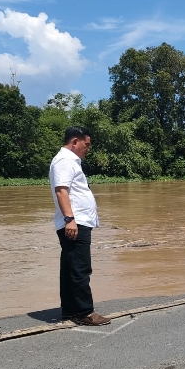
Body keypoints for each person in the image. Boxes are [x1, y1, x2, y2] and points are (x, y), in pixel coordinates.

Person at [49, 126, 110, 326]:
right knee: (81, 268)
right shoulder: (65, 160)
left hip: (76, 221)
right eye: (87, 144)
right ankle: (85, 312)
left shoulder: (68, 161)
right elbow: (61, 191)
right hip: (75, 222)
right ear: (75, 141)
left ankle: (69, 310)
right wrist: (70, 219)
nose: (88, 148)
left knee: (70, 267)